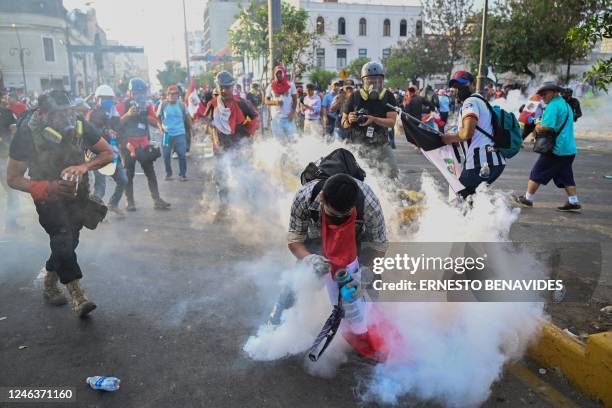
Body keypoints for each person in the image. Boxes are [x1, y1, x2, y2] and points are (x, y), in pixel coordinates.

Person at [6, 90, 114, 317]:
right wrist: (47, 188)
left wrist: (84, 167)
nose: (66, 118)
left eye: (68, 111)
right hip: (47, 198)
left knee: (69, 241)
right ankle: (78, 295)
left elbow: (106, 153)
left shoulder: (79, 123)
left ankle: (49, 282)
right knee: (63, 237)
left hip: (77, 194)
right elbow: (13, 178)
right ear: (43, 114)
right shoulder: (27, 133)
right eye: (58, 114)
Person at [515, 83, 580, 211]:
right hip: (568, 148)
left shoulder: (553, 106)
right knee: (565, 176)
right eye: (542, 94)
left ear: (555, 92)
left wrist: (538, 125)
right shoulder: (565, 105)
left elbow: (548, 126)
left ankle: (528, 198)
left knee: (537, 172)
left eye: (545, 93)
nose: (543, 96)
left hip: (557, 149)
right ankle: (573, 201)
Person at [205, 71, 259, 221]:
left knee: (243, 176)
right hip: (220, 146)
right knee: (220, 178)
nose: (224, 90)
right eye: (221, 87)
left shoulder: (242, 103)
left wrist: (249, 134)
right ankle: (223, 207)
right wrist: (214, 136)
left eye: (227, 87)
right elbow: (209, 123)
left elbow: (255, 117)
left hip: (238, 146)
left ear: (232, 87)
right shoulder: (212, 104)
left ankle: (249, 208)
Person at [442, 71, 505, 198]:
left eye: (462, 85)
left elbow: (467, 133)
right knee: (473, 200)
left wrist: (449, 138)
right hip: (492, 159)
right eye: (455, 87)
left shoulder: (470, 102)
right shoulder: (481, 100)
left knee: (458, 198)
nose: (458, 90)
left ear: (473, 84)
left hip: (480, 161)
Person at [118, 77, 170, 211]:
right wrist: (128, 114)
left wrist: (145, 116)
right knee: (129, 174)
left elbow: (155, 122)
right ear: (130, 92)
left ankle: (157, 200)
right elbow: (115, 124)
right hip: (128, 144)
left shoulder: (147, 106)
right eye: (136, 92)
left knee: (150, 173)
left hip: (143, 143)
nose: (139, 95)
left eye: (142, 92)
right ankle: (129, 202)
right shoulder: (122, 105)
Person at [341, 61, 399, 179]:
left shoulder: (388, 96)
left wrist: (374, 119)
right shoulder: (355, 96)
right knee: (357, 177)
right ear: (363, 81)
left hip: (380, 144)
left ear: (382, 81)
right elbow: (343, 123)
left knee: (392, 172)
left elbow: (392, 123)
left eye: (378, 80)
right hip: (357, 145)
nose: (374, 84)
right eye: (370, 81)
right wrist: (349, 120)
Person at [87, 84, 128, 216]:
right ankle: (94, 212)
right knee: (100, 186)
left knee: (123, 180)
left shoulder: (113, 113)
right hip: (96, 154)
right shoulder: (92, 114)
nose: (106, 101)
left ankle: (113, 204)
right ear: (97, 98)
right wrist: (105, 131)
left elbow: (118, 129)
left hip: (112, 152)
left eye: (109, 98)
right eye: (103, 98)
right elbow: (91, 132)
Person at [157, 84, 192, 181]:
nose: (173, 96)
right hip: (166, 134)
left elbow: (188, 117)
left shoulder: (181, 105)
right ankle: (169, 174)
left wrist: (192, 128)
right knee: (166, 155)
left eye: (175, 94)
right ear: (167, 95)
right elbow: (158, 118)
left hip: (180, 133)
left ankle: (183, 174)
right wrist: (161, 127)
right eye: (171, 94)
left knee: (182, 154)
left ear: (178, 95)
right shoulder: (163, 105)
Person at [0, 97, 20, 230]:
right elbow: (14, 128)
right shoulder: (7, 113)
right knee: (12, 192)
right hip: (3, 157)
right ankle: (11, 224)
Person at [265, 65, 298, 143]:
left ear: (284, 73)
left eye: (280, 73)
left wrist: (293, 112)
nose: (279, 75)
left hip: (288, 118)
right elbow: (266, 101)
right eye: (277, 73)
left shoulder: (291, 85)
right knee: (280, 144)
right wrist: (275, 102)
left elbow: (295, 100)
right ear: (275, 74)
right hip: (276, 119)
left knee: (293, 141)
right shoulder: (270, 86)